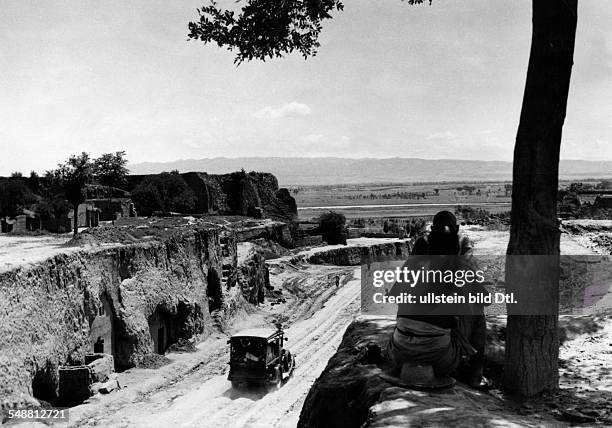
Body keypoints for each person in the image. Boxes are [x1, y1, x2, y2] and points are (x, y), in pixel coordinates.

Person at [387, 210, 491, 389]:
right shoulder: (458, 266)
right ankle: (476, 376)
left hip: (399, 353)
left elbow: (395, 295)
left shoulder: (413, 263)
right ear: (456, 230)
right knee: (478, 313)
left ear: (432, 231)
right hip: (439, 357)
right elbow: (485, 299)